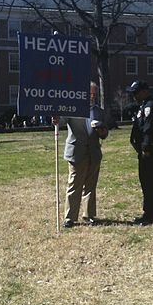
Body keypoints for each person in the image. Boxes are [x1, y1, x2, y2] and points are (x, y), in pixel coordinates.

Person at [53, 81, 108, 228]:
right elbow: (61, 121)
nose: (92, 97)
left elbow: (104, 133)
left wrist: (102, 132)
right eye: (89, 94)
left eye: (94, 94)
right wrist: (56, 118)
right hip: (77, 152)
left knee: (91, 185)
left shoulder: (98, 111)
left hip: (94, 152)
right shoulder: (72, 108)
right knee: (74, 184)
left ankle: (89, 215)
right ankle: (70, 217)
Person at [126, 80, 153, 225]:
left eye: (136, 92)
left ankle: (152, 213)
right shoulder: (143, 106)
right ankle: (150, 211)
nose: (134, 95)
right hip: (144, 147)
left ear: (145, 91)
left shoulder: (150, 106)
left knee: (149, 180)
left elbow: (149, 128)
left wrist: (146, 148)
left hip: (150, 148)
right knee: (146, 179)